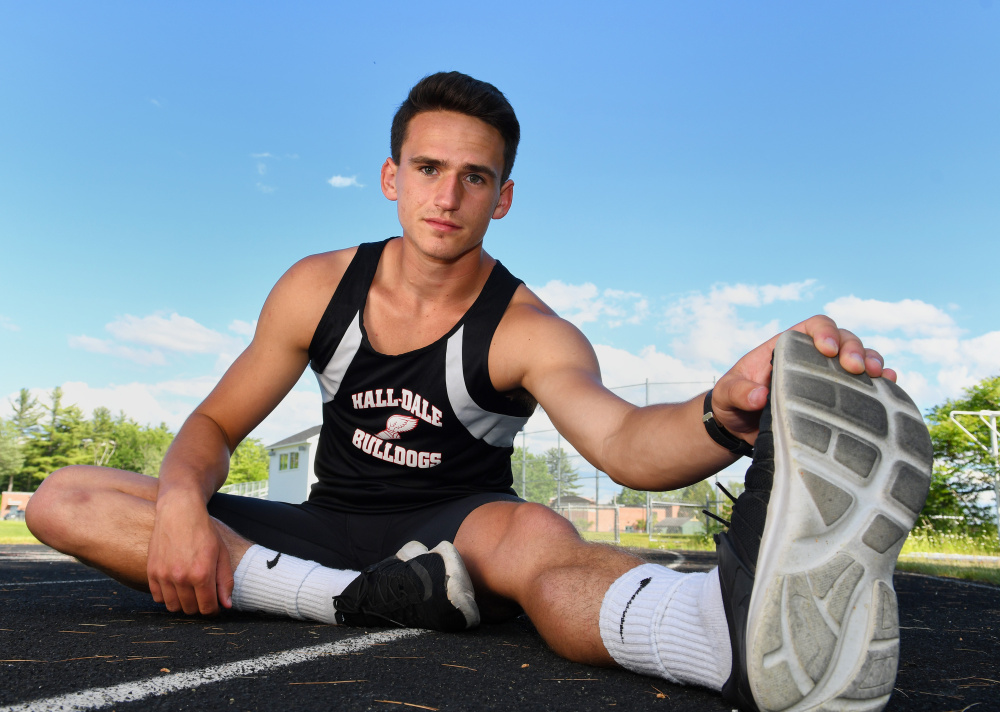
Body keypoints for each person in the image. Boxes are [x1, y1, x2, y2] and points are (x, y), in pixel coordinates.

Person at [26, 72, 931, 712]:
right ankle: (342, 597)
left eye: (475, 177)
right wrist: (184, 504)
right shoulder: (316, 287)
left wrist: (720, 409)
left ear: (502, 198)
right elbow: (217, 422)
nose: (446, 195)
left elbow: (624, 443)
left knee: (536, 533)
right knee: (66, 499)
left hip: (458, 539)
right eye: (427, 169)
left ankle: (716, 633)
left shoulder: (528, 328)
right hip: (324, 531)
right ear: (392, 178)